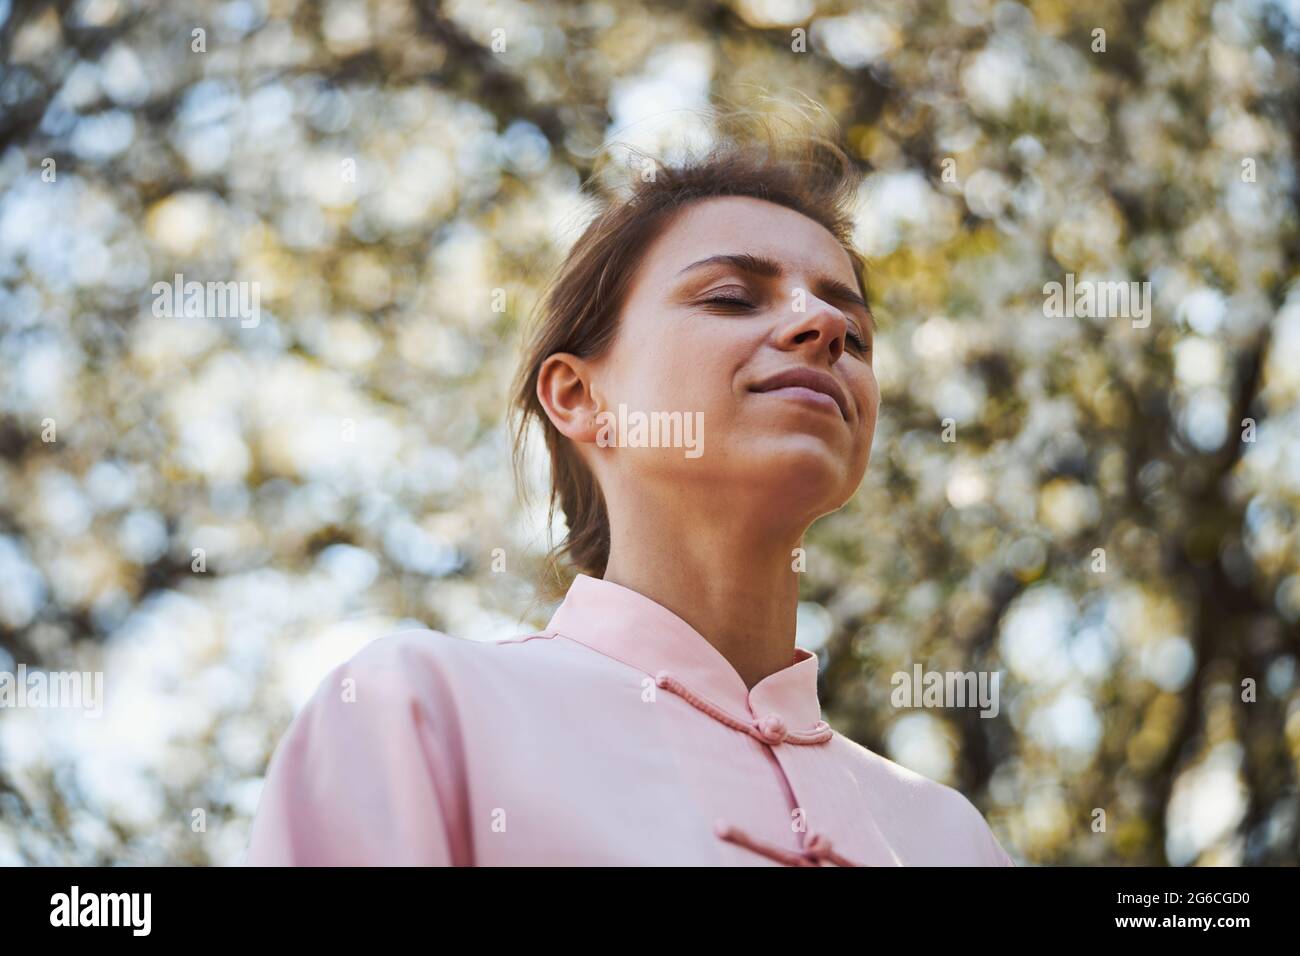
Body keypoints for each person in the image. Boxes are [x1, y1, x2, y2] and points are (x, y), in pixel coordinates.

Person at [243, 129, 1015, 866]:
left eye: (854, 327)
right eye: (731, 298)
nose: (822, 326)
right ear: (578, 396)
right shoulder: (417, 712)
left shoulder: (950, 837)